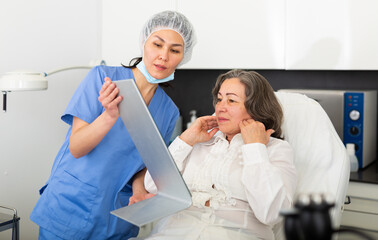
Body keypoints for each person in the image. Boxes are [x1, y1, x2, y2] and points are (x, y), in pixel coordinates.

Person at [30, 10, 196, 240]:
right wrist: (108, 117)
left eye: (175, 50)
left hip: (117, 217)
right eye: (157, 44)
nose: (164, 56)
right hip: (72, 205)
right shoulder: (103, 79)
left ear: (183, 57)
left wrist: (139, 191)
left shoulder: (168, 112)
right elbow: (77, 147)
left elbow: (145, 165)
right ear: (143, 42)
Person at [140, 69, 297, 240]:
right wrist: (185, 140)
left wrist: (255, 148)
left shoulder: (275, 149)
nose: (220, 107)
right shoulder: (199, 142)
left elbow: (272, 213)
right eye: (220, 99)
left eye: (231, 100)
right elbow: (152, 185)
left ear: (255, 108)